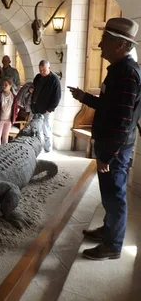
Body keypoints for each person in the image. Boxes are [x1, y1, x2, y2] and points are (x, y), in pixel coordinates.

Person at [68, 17, 141, 260]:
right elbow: (111, 107)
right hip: (111, 146)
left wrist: (107, 155)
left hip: (115, 149)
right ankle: (108, 231)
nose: (99, 45)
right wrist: (85, 98)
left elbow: (123, 122)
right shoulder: (120, 72)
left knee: (115, 196)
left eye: (105, 40)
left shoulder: (128, 75)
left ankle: (113, 245)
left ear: (120, 45)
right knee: (109, 194)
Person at [31, 60, 61, 152]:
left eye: (44, 70)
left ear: (49, 68)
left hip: (47, 109)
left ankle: (48, 148)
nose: (42, 72)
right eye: (40, 70)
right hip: (36, 108)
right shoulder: (37, 77)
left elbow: (57, 96)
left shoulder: (54, 79)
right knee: (36, 129)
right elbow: (34, 88)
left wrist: (50, 109)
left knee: (46, 129)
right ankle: (37, 148)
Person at [0, 77, 18, 146]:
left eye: (6, 85)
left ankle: (4, 150)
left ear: (10, 85)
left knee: (5, 135)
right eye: (3, 84)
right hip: (0, 118)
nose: (4, 86)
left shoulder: (13, 97)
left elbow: (15, 108)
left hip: (9, 119)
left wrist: (14, 117)